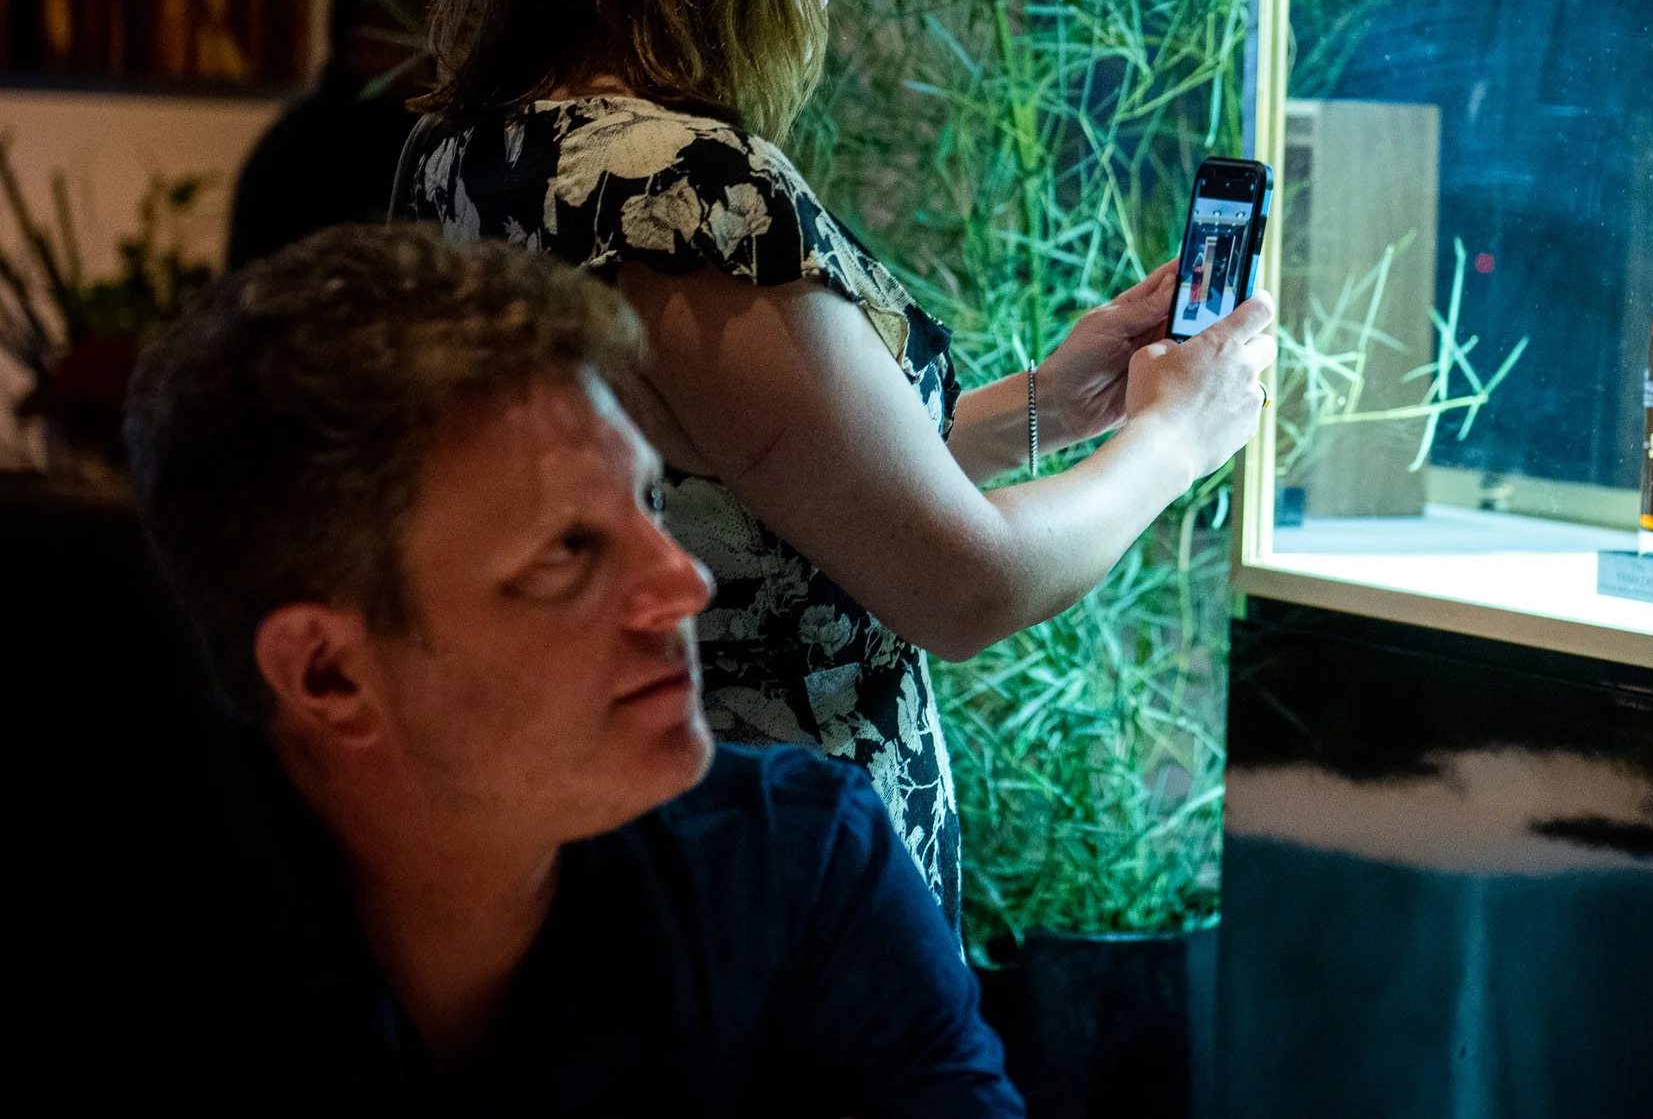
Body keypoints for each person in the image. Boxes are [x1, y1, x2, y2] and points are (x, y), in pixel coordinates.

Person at [401, 0, 1274, 923]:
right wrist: (1174, 439)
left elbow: (754, 486)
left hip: (627, 852)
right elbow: (963, 585)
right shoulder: (686, 190)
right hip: (763, 887)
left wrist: (1055, 399)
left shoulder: (479, 147)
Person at [118, 223, 1023, 1115]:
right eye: (567, 551)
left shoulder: (795, 865)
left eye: (645, 502)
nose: (684, 583)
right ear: (326, 675)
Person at [228, 0, 448, 266]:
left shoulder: (443, 138)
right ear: (366, 38)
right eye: (428, 16)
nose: (447, 42)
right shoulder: (302, 158)